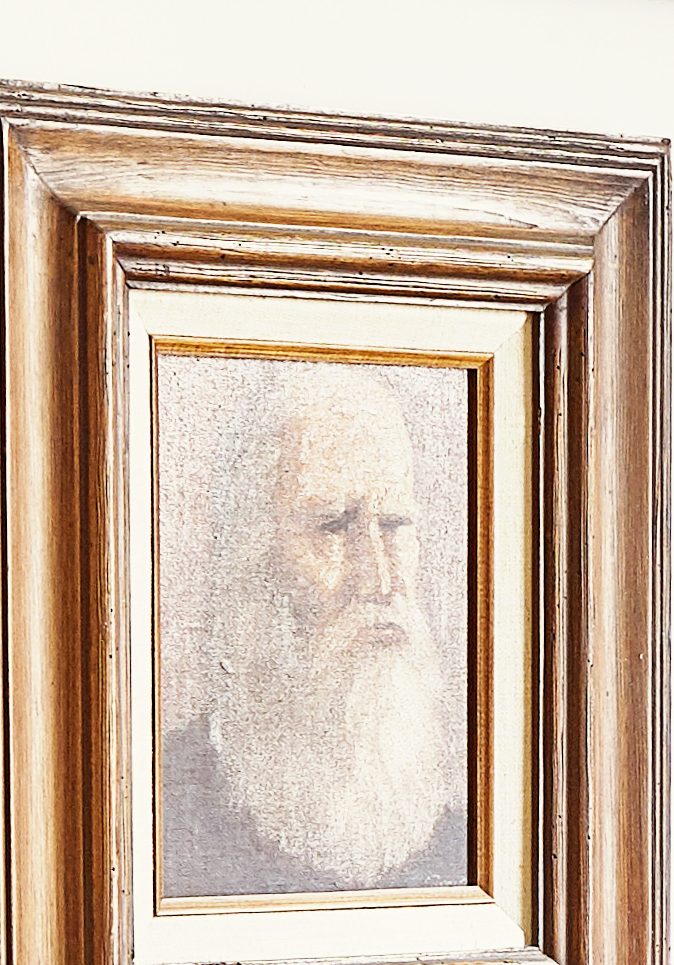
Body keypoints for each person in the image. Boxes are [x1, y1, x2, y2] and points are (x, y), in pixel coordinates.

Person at [159, 369, 469, 900]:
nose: (379, 580)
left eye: (393, 525)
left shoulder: (468, 845)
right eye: (332, 526)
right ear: (252, 559)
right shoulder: (154, 810)